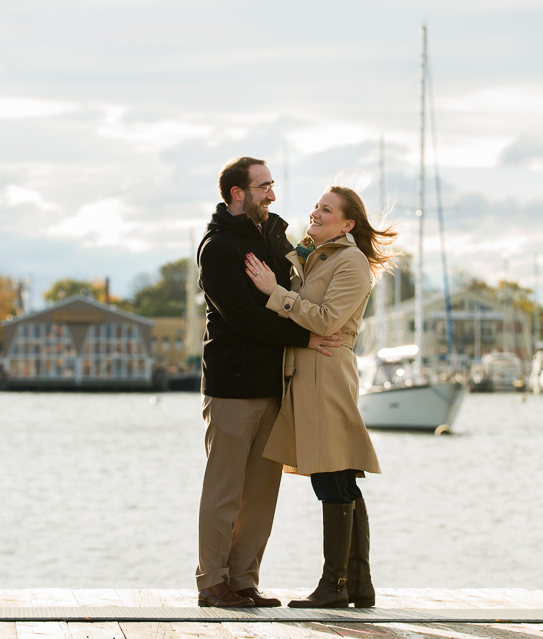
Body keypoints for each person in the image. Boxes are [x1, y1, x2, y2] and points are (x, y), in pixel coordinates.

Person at [195, 157, 342, 608]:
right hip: (232, 387)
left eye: (272, 185)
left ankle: (243, 580)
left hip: (276, 385)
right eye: (264, 187)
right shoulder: (217, 248)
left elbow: (294, 295)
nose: (272, 194)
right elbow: (242, 318)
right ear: (238, 193)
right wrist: (305, 334)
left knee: (261, 493)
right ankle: (213, 584)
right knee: (225, 490)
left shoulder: (274, 237)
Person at [244, 183, 396, 608]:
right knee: (339, 474)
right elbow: (307, 315)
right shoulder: (315, 258)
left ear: (347, 223)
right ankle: (356, 584)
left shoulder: (351, 263)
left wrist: (275, 292)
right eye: (315, 206)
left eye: (326, 209)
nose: (316, 213)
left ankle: (335, 585)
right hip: (307, 373)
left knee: (331, 474)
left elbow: (327, 321)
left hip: (325, 373)